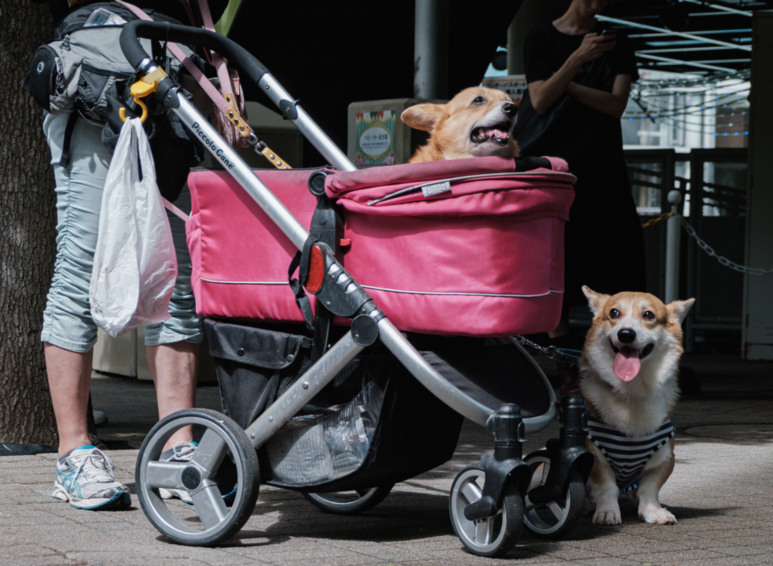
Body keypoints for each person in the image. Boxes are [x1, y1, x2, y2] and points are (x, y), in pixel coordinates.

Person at [32, 0, 224, 510]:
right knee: (80, 273)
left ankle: (177, 449)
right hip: (97, 81)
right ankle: (73, 455)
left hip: (171, 83)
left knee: (176, 282)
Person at [515, 0, 647, 356]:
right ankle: (563, 358)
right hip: (557, 166)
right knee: (557, 252)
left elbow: (616, 104)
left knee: (615, 252)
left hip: (602, 165)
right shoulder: (540, 37)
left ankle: (613, 348)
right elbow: (540, 99)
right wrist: (578, 59)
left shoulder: (616, 41)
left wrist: (568, 85)